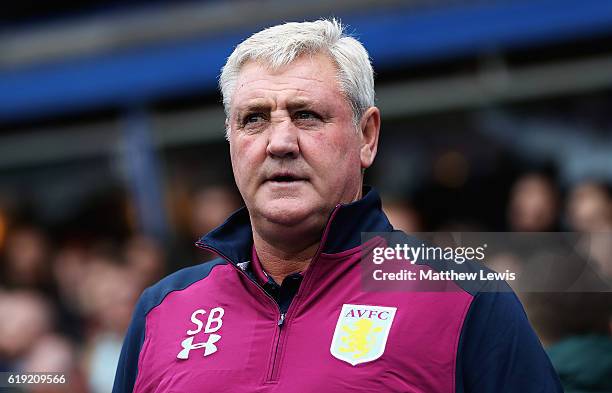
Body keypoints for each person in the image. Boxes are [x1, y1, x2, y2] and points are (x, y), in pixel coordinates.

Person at [113, 19, 562, 392]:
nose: (280, 142)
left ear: (367, 137)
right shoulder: (161, 310)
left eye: (307, 115)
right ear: (231, 142)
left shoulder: (464, 297)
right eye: (254, 120)